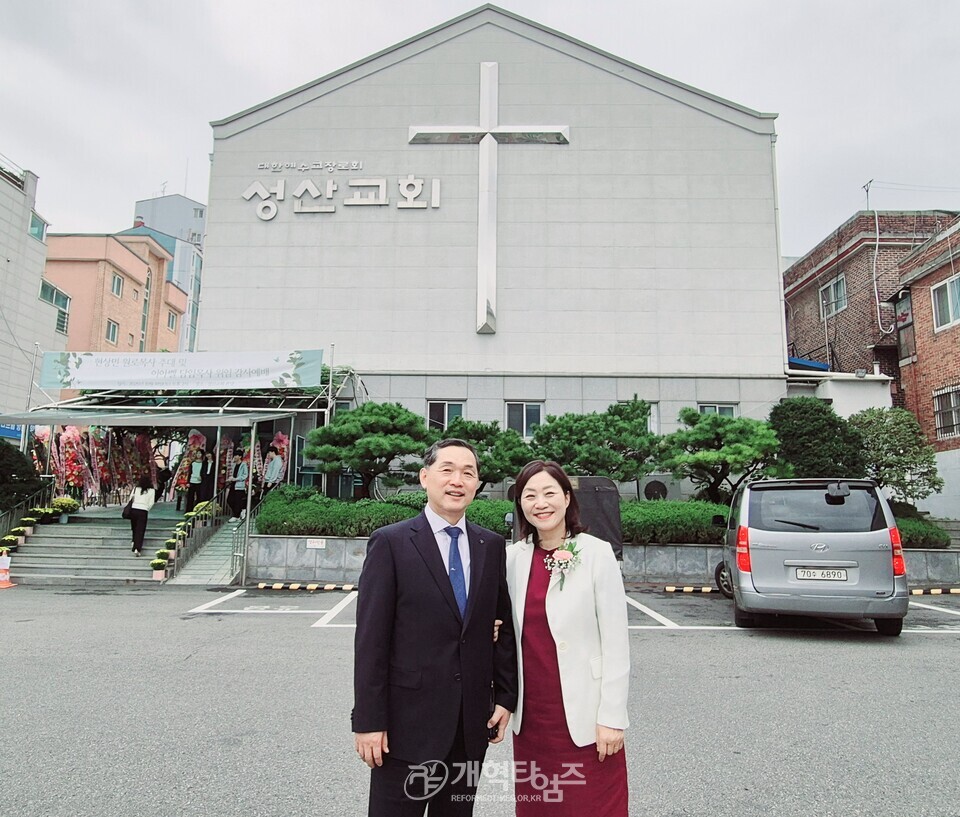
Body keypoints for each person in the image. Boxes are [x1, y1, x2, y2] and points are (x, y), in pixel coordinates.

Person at [353, 438, 518, 816]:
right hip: (404, 729)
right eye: (447, 470)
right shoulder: (391, 543)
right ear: (425, 477)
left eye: (468, 472)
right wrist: (368, 722)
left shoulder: (490, 545)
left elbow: (501, 626)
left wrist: (506, 696)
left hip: (468, 727)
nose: (457, 480)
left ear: (477, 485)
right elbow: (371, 642)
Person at [505, 460, 629, 816]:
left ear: (566, 497)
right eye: (529, 495)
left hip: (587, 716)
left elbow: (616, 642)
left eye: (548, 493)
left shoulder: (595, 553)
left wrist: (612, 717)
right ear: (521, 504)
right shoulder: (512, 558)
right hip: (532, 719)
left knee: (592, 805)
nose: (539, 503)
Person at [128, 474, 156, 557]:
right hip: (143, 510)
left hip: (134, 509)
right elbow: (151, 502)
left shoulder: (136, 488)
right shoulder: (152, 490)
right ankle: (137, 548)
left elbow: (130, 499)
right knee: (140, 530)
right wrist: (147, 508)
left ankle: (133, 541)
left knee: (134, 527)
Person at [225, 450, 249, 522]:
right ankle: (240, 511)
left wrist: (236, 479)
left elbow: (245, 475)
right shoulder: (234, 465)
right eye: (234, 455)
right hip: (233, 485)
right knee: (229, 500)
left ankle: (236, 515)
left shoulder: (243, 465)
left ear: (240, 457)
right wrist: (230, 479)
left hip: (239, 485)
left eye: (236, 455)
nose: (234, 457)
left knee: (237, 501)